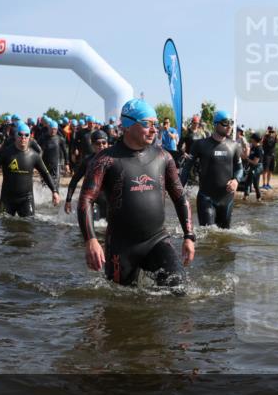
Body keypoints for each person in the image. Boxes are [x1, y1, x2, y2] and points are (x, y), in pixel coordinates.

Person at [76, 99, 195, 287]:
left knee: (179, 288)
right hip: (121, 246)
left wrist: (189, 236)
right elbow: (86, 199)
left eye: (155, 124)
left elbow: (180, 197)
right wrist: (90, 240)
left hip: (157, 240)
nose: (154, 130)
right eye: (147, 124)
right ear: (128, 125)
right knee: (118, 303)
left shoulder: (163, 157)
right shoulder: (105, 160)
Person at [0, 121, 60, 216]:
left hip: (27, 199)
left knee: (28, 226)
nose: (23, 138)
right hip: (7, 199)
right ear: (16, 136)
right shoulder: (6, 153)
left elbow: (45, 174)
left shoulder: (34, 156)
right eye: (20, 134)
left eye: (26, 135)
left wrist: (54, 191)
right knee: (4, 226)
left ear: (29, 137)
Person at [187, 109, 243, 227]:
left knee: (224, 237)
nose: (229, 126)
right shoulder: (200, 145)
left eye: (231, 123)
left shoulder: (234, 146)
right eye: (225, 123)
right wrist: (177, 192)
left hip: (226, 199)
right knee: (208, 236)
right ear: (216, 124)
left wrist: (236, 180)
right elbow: (187, 168)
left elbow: (239, 168)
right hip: (206, 198)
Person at [64, 131, 109, 217]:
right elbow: (74, 180)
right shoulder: (88, 161)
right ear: (92, 145)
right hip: (92, 201)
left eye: (104, 143)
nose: (101, 146)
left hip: (109, 201)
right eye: (98, 143)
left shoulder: (114, 160)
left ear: (107, 143)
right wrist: (68, 200)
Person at [241, 133, 264, 200]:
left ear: (254, 139)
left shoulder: (258, 149)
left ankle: (247, 197)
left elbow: (255, 162)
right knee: (253, 183)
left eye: (252, 138)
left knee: (251, 182)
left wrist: (247, 159)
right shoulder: (253, 147)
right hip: (253, 166)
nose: (250, 139)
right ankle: (257, 198)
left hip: (258, 167)